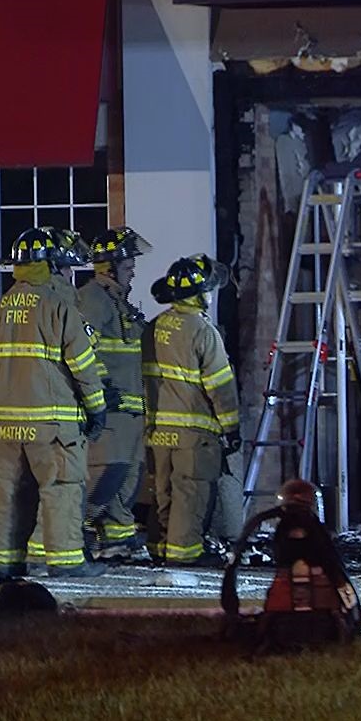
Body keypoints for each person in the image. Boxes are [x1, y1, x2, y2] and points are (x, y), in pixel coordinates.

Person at [0, 227, 107, 578]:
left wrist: (3, 407)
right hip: (53, 428)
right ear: (50, 266)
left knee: (9, 495)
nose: (68, 274)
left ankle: (5, 562)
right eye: (64, 267)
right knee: (61, 490)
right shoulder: (59, 309)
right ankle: (67, 562)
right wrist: (96, 410)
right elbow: (84, 370)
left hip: (6, 429)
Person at [144, 254, 241, 568]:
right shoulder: (202, 331)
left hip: (158, 431)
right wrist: (232, 428)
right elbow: (220, 387)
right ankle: (184, 556)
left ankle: (160, 549)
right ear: (201, 294)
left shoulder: (155, 327)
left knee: (164, 493)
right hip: (193, 434)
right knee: (191, 494)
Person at [72, 226, 152, 558]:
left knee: (128, 476)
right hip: (114, 407)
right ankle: (79, 530)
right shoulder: (93, 299)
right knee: (111, 471)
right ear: (110, 266)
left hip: (130, 408)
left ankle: (118, 539)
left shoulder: (119, 302)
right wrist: (102, 389)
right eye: (128, 264)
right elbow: (81, 346)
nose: (133, 270)